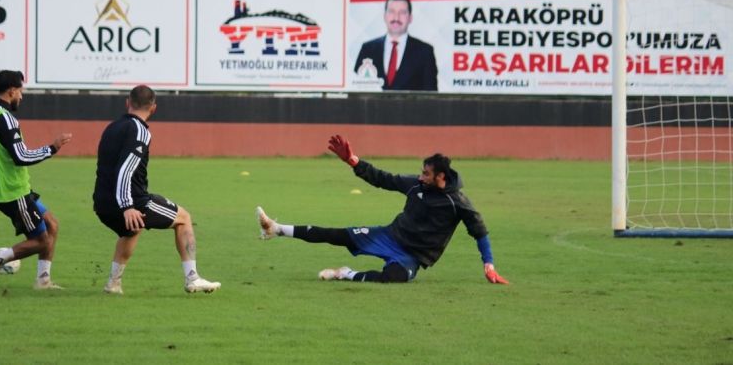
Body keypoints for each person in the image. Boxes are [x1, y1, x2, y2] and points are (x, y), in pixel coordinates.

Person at [257, 135, 509, 284]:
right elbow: (382, 178)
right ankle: (276, 229)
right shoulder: (416, 185)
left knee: (393, 278)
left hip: (412, 257)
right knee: (337, 235)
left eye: (426, 173)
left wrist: (489, 265)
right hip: (390, 236)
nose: (420, 176)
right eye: (421, 172)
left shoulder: (458, 203)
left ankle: (344, 273)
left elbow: (480, 232)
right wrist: (353, 161)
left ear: (441, 177)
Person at [92, 85, 220, 295]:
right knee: (184, 218)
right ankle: (192, 278)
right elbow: (125, 169)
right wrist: (127, 206)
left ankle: (113, 284)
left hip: (102, 201)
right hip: (131, 201)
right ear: (153, 108)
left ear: (127, 102)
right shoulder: (140, 131)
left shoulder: (112, 127)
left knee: (133, 228)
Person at [0, 70, 72, 292]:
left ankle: (43, 281)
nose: (21, 96)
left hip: (8, 189)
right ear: (12, 91)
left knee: (52, 224)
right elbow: (21, 156)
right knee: (42, 240)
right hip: (14, 192)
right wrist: (52, 148)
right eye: (20, 91)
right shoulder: (6, 118)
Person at [353, 0, 438, 91]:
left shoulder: (425, 52)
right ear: (385, 16)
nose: (396, 18)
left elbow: (431, 95)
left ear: (410, 18)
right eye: (391, 11)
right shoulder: (367, 49)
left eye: (402, 12)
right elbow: (356, 90)